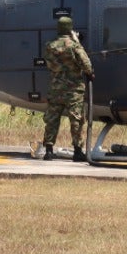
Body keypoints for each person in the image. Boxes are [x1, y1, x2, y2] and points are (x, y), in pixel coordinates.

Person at [40, 16, 94, 162]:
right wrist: (77, 43)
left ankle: (49, 150)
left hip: (55, 88)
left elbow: (49, 64)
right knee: (76, 120)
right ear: (70, 28)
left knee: (52, 120)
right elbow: (87, 65)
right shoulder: (74, 46)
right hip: (73, 90)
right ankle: (77, 151)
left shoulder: (49, 46)